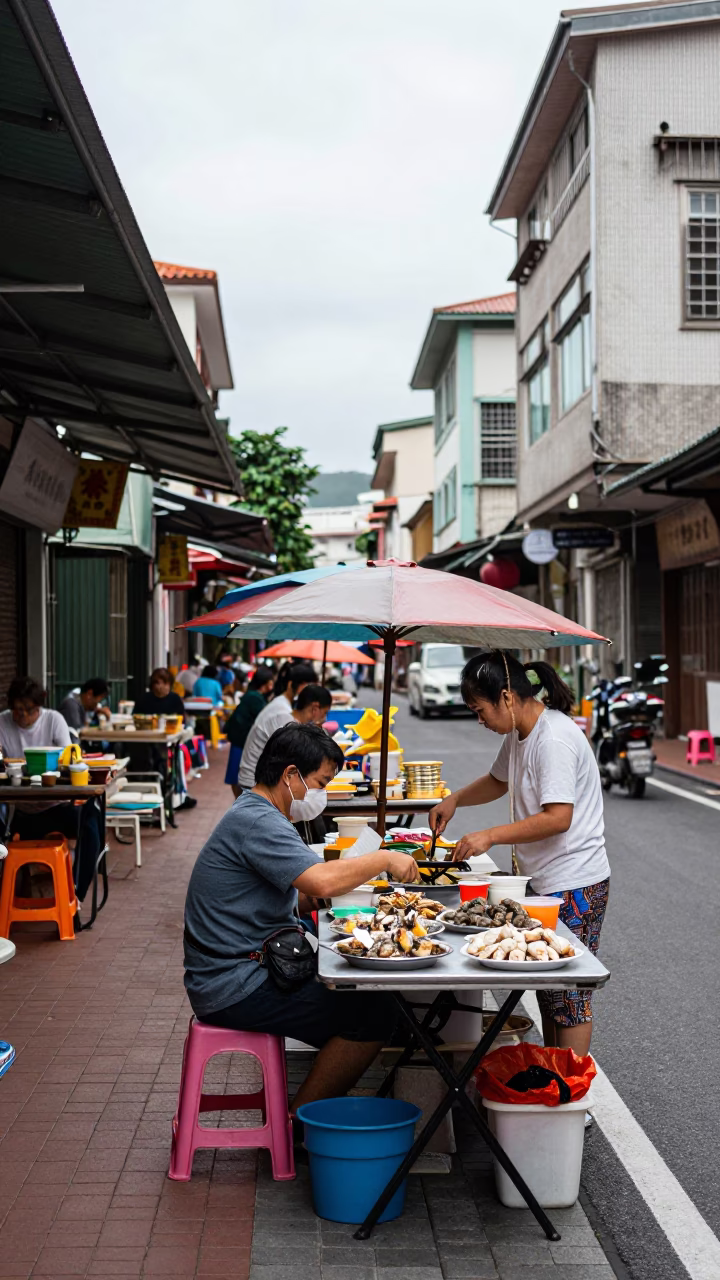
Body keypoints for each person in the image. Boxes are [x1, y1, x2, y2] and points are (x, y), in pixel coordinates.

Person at [184, 722, 419, 1112]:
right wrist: (384, 858)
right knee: (374, 1016)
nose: (321, 794)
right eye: (320, 782)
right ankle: (300, 1124)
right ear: (290, 774)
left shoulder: (258, 812)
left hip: (240, 966)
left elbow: (298, 896)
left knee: (364, 992)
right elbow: (321, 882)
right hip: (232, 984)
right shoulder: (259, 821)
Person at [430, 650, 609, 1058]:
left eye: (480, 710)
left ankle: (570, 1096)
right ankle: (556, 1078)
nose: (480, 720)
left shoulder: (555, 739)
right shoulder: (519, 733)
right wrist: (454, 799)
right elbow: (497, 781)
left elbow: (558, 818)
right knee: (551, 990)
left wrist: (490, 835)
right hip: (546, 881)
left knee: (570, 995)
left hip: (576, 879)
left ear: (507, 698)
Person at [236, 662, 315, 792]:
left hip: (257, 777)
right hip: (254, 783)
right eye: (305, 688)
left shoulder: (283, 704)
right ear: (290, 685)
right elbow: (292, 754)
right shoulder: (282, 712)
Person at [223, 668, 275, 792]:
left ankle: (238, 803)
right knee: (238, 779)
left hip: (239, 739)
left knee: (237, 778)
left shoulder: (253, 695)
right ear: (266, 683)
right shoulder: (255, 698)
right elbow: (265, 718)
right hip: (241, 740)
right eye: (271, 682)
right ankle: (239, 803)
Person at [0, 676, 71, 758]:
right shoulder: (2, 722)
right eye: (19, 710)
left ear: (38, 707)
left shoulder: (54, 720)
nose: (24, 715)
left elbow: (68, 755)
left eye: (29, 710)